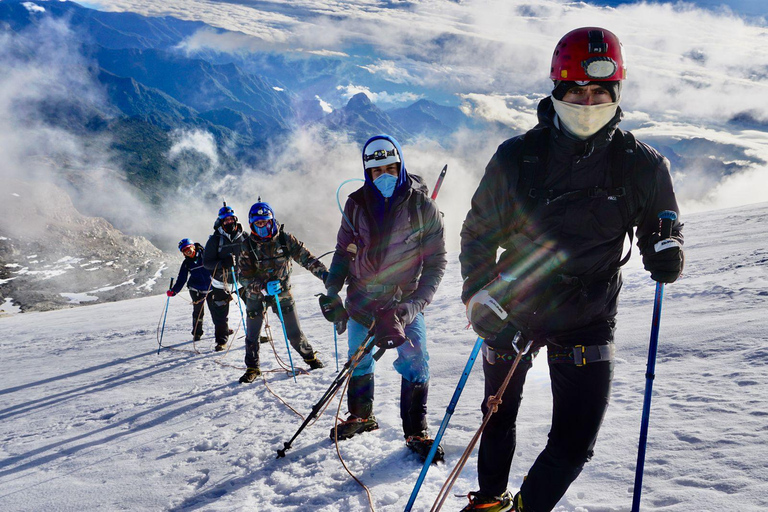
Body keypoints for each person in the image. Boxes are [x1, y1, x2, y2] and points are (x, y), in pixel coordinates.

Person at [459, 27, 684, 511]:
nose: (587, 102)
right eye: (576, 91)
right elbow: (479, 233)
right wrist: (478, 294)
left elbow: (660, 228)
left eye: (599, 91)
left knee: (575, 441)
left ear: (616, 92)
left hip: (588, 314)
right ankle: (490, 500)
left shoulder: (642, 166)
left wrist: (666, 251)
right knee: (497, 415)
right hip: (513, 305)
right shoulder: (517, 158)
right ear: (557, 91)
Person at [323, 134, 447, 461]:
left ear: (401, 165)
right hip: (362, 298)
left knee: (416, 360)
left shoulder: (423, 207)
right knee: (358, 357)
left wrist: (414, 306)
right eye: (377, 171)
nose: (385, 176)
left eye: (391, 168)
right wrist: (332, 290)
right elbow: (342, 251)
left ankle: (416, 430)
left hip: (403, 300)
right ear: (368, 172)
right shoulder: (355, 204)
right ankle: (361, 416)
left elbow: (436, 262)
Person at [236, 201, 328, 383]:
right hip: (256, 296)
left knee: (294, 333)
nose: (262, 226)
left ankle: (310, 358)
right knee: (252, 335)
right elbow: (243, 277)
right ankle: (252, 368)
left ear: (272, 220)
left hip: (282, 293)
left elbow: (307, 259)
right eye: (258, 223)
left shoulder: (285, 239)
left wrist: (325, 275)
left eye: (265, 221)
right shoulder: (248, 246)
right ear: (252, 225)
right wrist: (262, 287)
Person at [203, 204, 247, 352]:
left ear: (235, 219)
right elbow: (206, 263)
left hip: (241, 280)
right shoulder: (215, 240)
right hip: (221, 282)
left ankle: (255, 335)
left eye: (231, 219)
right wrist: (222, 263)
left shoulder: (244, 236)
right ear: (221, 222)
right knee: (221, 314)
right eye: (226, 220)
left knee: (254, 307)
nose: (229, 222)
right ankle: (221, 341)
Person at [167, 239, 213, 341]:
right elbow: (182, 278)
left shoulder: (206, 255)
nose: (187, 251)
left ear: (193, 246)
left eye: (188, 248)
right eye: (184, 250)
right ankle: (197, 333)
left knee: (216, 311)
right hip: (196, 290)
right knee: (198, 312)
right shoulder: (186, 263)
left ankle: (222, 331)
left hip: (212, 288)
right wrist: (174, 291)